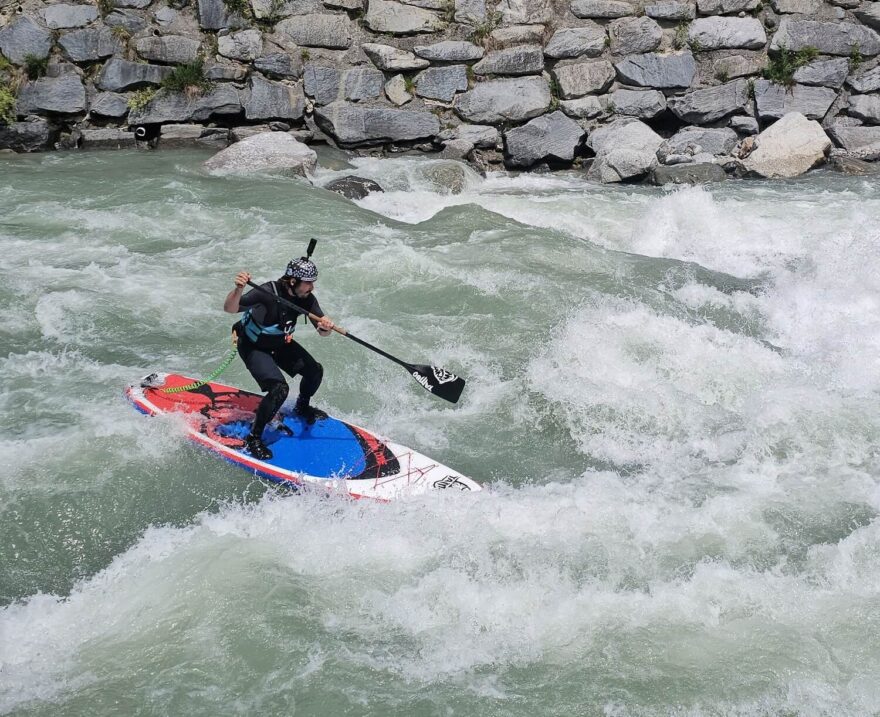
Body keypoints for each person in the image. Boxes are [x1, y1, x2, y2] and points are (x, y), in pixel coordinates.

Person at [223, 257, 335, 460]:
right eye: (308, 282)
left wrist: (325, 327)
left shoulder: (307, 298)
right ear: (293, 281)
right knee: (279, 389)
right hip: (253, 346)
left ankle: (302, 405)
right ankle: (254, 438)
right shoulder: (267, 292)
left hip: (279, 344)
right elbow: (230, 308)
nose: (312, 286)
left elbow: (322, 332)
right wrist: (238, 289)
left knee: (315, 370)